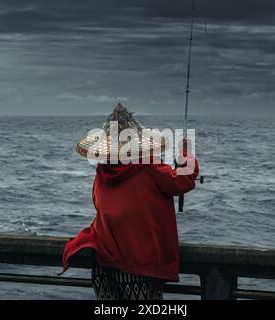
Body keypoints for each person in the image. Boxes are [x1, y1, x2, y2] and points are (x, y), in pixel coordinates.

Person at [61, 103, 199, 300]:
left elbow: (99, 206)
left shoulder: (101, 173)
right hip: (140, 265)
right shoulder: (149, 165)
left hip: (103, 263)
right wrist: (185, 153)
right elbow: (183, 179)